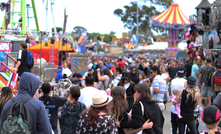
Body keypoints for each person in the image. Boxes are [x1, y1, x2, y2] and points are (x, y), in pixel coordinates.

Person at [170, 66, 187, 134]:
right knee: (182, 126)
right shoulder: (185, 82)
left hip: (173, 107)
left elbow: (170, 91)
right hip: (182, 107)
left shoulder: (172, 81)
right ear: (185, 73)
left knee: (173, 124)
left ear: (177, 73)